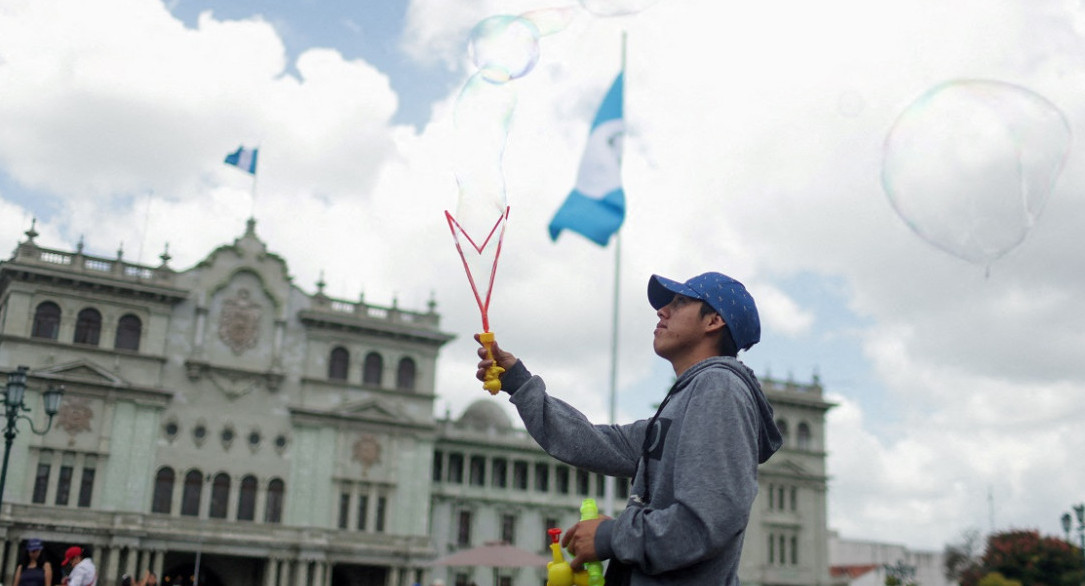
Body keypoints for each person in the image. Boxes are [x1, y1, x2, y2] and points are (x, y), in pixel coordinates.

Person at [476, 271, 782, 586]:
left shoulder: (719, 387)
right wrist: (518, 381)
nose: (662, 311)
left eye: (679, 302)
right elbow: (591, 442)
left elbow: (704, 524)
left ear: (713, 320)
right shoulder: (689, 398)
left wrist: (610, 536)